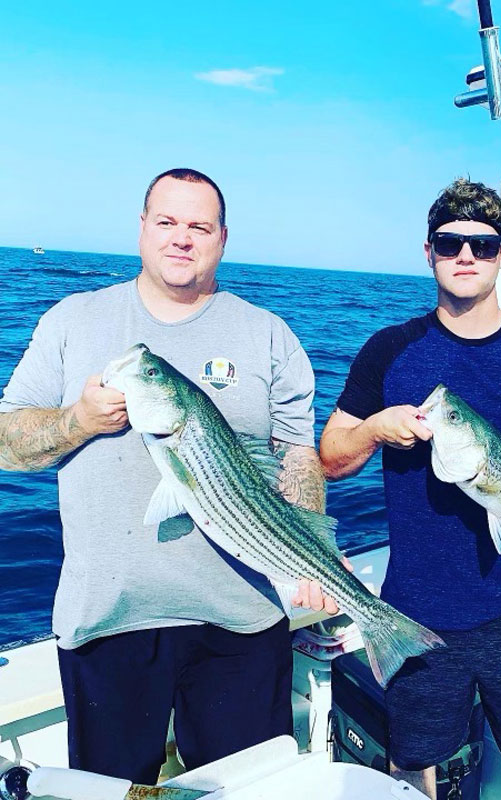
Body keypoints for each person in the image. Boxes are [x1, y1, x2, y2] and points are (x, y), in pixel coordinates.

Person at [0, 168, 342, 784]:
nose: (181, 238)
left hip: (241, 621)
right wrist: (78, 420)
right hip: (107, 619)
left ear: (222, 238)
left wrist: (311, 553)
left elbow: (296, 455)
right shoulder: (73, 319)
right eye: (166, 221)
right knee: (113, 791)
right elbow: (6, 444)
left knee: (245, 791)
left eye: (199, 227)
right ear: (142, 228)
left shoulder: (269, 333)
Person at [319, 178, 501, 800]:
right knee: (410, 774)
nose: (465, 256)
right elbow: (331, 458)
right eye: (450, 243)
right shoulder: (389, 350)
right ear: (428, 251)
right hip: (415, 612)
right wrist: (374, 429)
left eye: (481, 245)